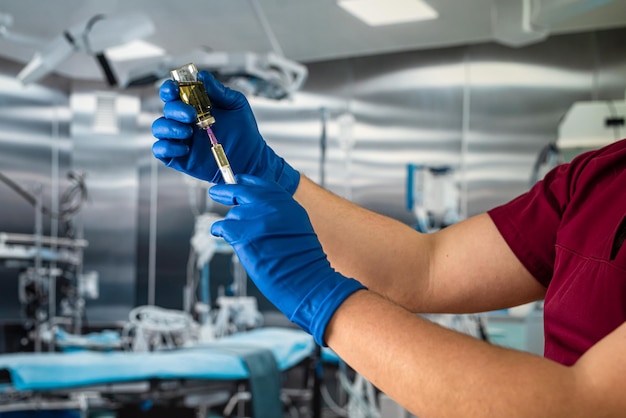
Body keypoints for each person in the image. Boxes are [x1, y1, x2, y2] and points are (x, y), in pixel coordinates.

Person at [152, 71, 626, 417]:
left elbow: (582, 405)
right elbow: (426, 269)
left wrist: (318, 295)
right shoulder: (600, 179)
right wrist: (265, 171)